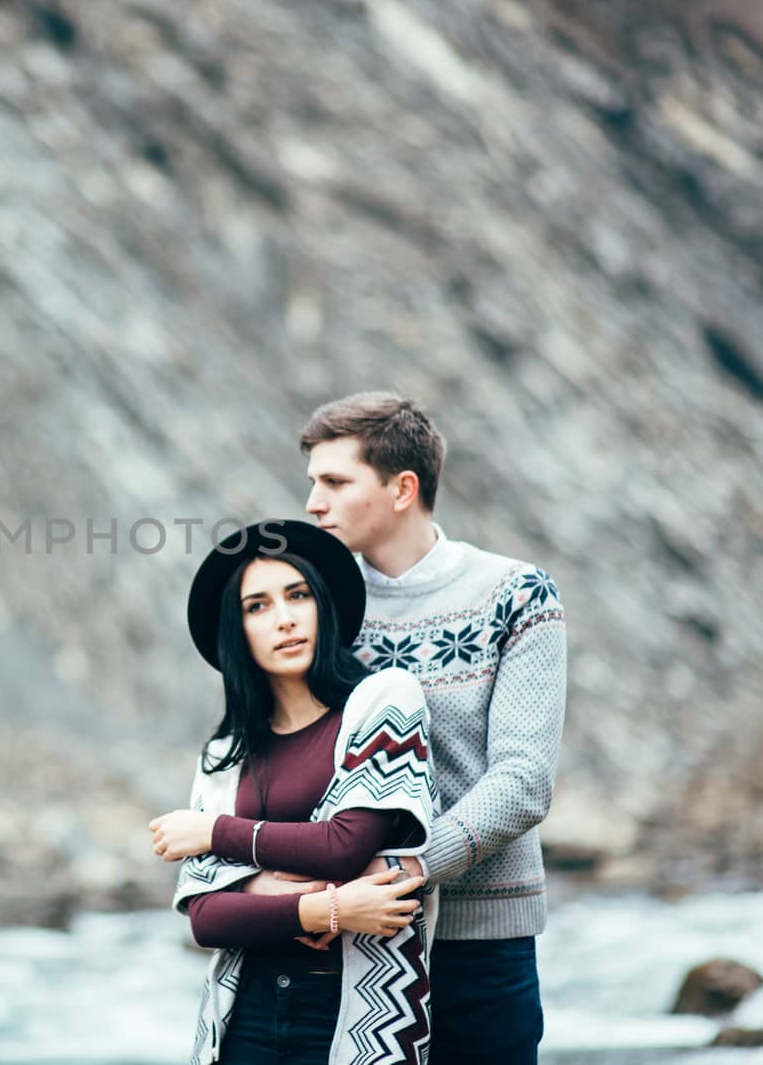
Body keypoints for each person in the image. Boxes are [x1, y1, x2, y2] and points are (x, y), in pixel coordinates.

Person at [242, 392, 567, 1065]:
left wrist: (405, 871)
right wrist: (273, 886)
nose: (313, 503)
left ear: (401, 488)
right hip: (350, 941)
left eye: (334, 482)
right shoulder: (315, 607)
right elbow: (278, 749)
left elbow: (524, 780)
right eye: (312, 483)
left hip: (481, 945)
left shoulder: (516, 594)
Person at [149, 519, 437, 1065]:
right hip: (244, 1015)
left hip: (363, 1014)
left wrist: (216, 836)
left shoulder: (382, 702)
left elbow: (345, 846)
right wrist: (329, 908)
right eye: (257, 606)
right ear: (238, 630)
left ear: (321, 605)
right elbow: (207, 917)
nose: (283, 619)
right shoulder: (225, 754)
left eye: (297, 595)